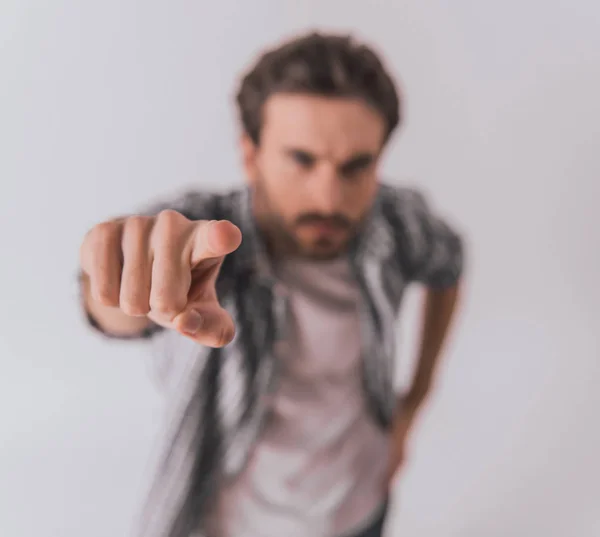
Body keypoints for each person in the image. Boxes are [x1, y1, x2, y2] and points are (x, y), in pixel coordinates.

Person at [79, 31, 464, 537]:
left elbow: (449, 263)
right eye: (302, 160)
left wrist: (415, 399)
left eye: (356, 166)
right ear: (251, 154)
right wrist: (127, 282)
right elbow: (119, 305)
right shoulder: (211, 238)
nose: (329, 196)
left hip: (360, 513)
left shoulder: (396, 224)